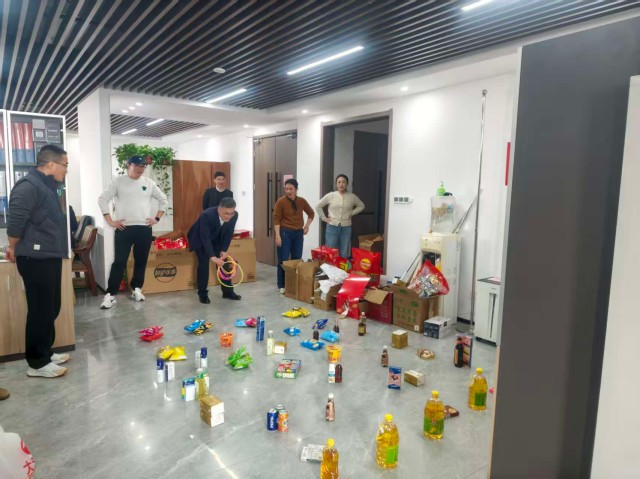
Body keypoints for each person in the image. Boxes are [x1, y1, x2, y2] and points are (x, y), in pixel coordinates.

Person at [5, 144, 70, 378]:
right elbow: (15, 222)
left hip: (49, 255)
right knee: (40, 310)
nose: (66, 170)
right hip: (34, 258)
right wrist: (12, 246)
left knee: (51, 306)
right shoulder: (28, 185)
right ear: (51, 164)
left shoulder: (46, 185)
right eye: (65, 165)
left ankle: (46, 351)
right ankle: (37, 363)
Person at [98, 155, 168, 309]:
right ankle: (110, 295)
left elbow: (163, 200)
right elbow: (103, 199)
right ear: (129, 165)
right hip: (124, 228)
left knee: (141, 261)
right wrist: (110, 221)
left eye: (143, 166)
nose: (140, 169)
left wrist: (156, 218)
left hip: (144, 228)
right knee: (119, 262)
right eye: (137, 165)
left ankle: (137, 289)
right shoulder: (118, 182)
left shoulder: (149, 183)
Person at [187, 197, 240, 303]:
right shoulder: (207, 215)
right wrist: (212, 256)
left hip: (217, 238)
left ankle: (228, 292)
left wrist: (224, 250)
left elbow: (229, 233)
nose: (229, 216)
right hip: (200, 239)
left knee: (224, 262)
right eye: (226, 213)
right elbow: (205, 237)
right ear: (219, 209)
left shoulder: (234, 215)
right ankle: (203, 294)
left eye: (231, 213)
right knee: (203, 264)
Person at [273, 178, 315, 294]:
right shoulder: (280, 202)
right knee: (283, 259)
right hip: (284, 233)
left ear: (296, 189)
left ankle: (293, 282)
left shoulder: (301, 201)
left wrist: (306, 226)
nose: (288, 191)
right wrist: (277, 236)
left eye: (291, 189)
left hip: (298, 233)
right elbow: (276, 219)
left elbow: (311, 213)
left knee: (297, 258)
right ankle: (282, 284)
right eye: (286, 189)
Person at [315, 174, 365, 258]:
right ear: (336, 184)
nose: (341, 184)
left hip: (346, 228)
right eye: (339, 182)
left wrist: (351, 213)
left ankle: (343, 266)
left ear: (347, 184)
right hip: (332, 227)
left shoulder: (352, 197)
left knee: (345, 252)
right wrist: (324, 218)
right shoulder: (331, 195)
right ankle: (330, 267)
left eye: (343, 182)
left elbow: (361, 206)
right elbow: (318, 206)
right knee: (330, 251)